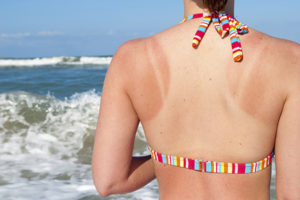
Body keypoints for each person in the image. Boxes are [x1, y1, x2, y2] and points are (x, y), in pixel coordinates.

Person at [92, 0, 300, 199]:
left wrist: (169, 160)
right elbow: (292, 194)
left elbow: (109, 181)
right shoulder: (290, 59)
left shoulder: (130, 58)